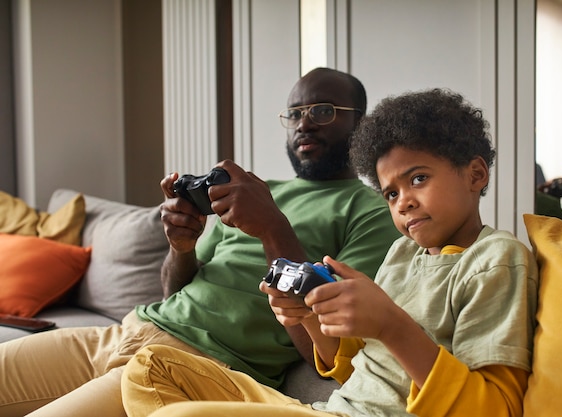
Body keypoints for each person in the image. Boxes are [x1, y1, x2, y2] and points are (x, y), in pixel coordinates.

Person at [0, 67, 401, 417]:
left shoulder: (370, 212)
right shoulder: (256, 189)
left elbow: (332, 348)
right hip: (126, 332)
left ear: (360, 123)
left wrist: (272, 228)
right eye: (294, 113)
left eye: (323, 111)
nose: (304, 124)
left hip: (196, 365)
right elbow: (175, 290)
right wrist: (182, 246)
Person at [119, 88, 539, 417]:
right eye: (391, 193)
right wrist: (309, 318)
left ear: (475, 174)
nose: (403, 202)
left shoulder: (496, 258)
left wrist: (392, 325)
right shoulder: (402, 254)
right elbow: (356, 366)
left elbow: (495, 409)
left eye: (419, 179)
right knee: (151, 368)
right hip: (331, 409)